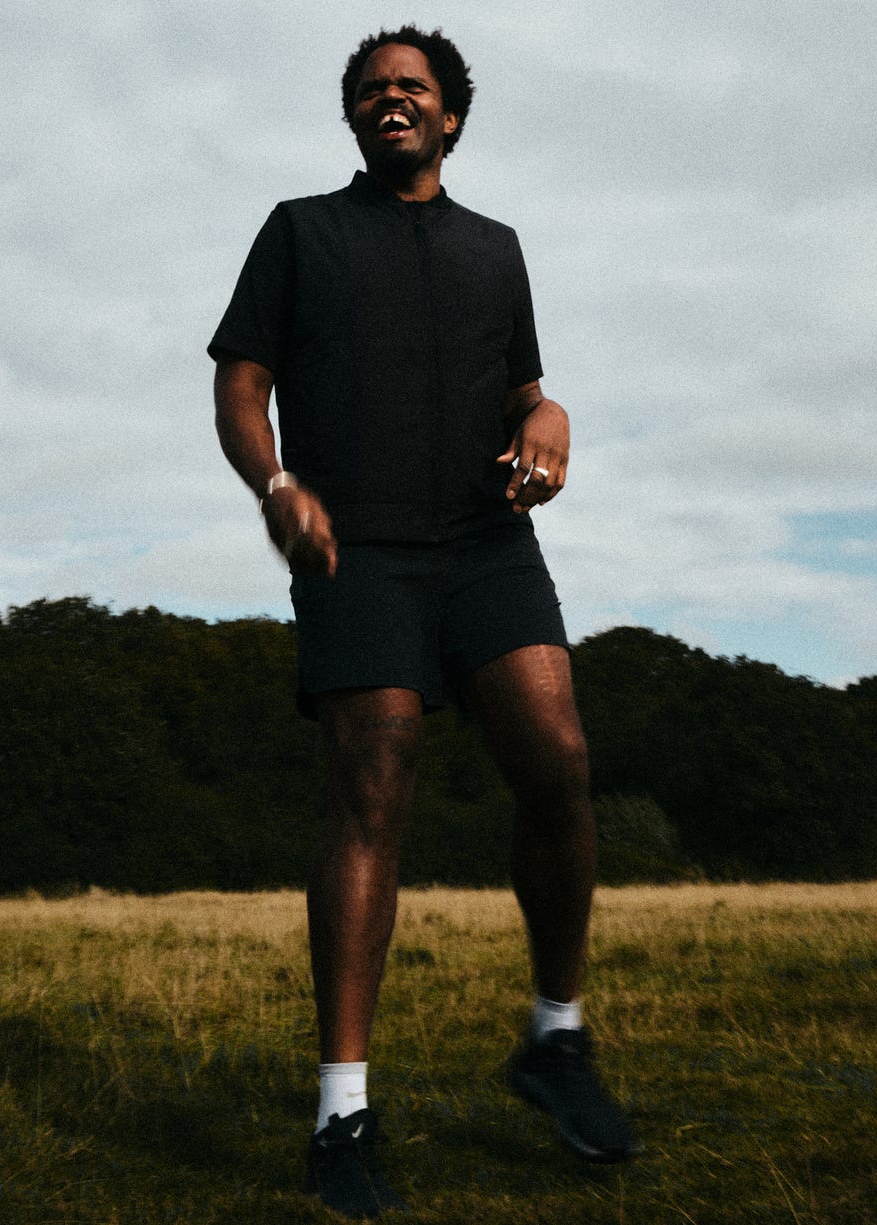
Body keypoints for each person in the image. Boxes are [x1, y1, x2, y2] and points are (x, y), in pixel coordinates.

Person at [208, 25, 638, 1218]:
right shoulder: (300, 231)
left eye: (412, 86)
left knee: (556, 758)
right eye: (369, 87)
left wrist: (549, 418)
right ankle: (340, 1115)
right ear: (351, 117)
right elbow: (240, 381)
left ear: (449, 116)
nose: (388, 97)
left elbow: (525, 390)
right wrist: (275, 484)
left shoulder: (495, 251)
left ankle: (555, 1038)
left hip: (487, 545)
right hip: (358, 548)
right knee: (374, 783)